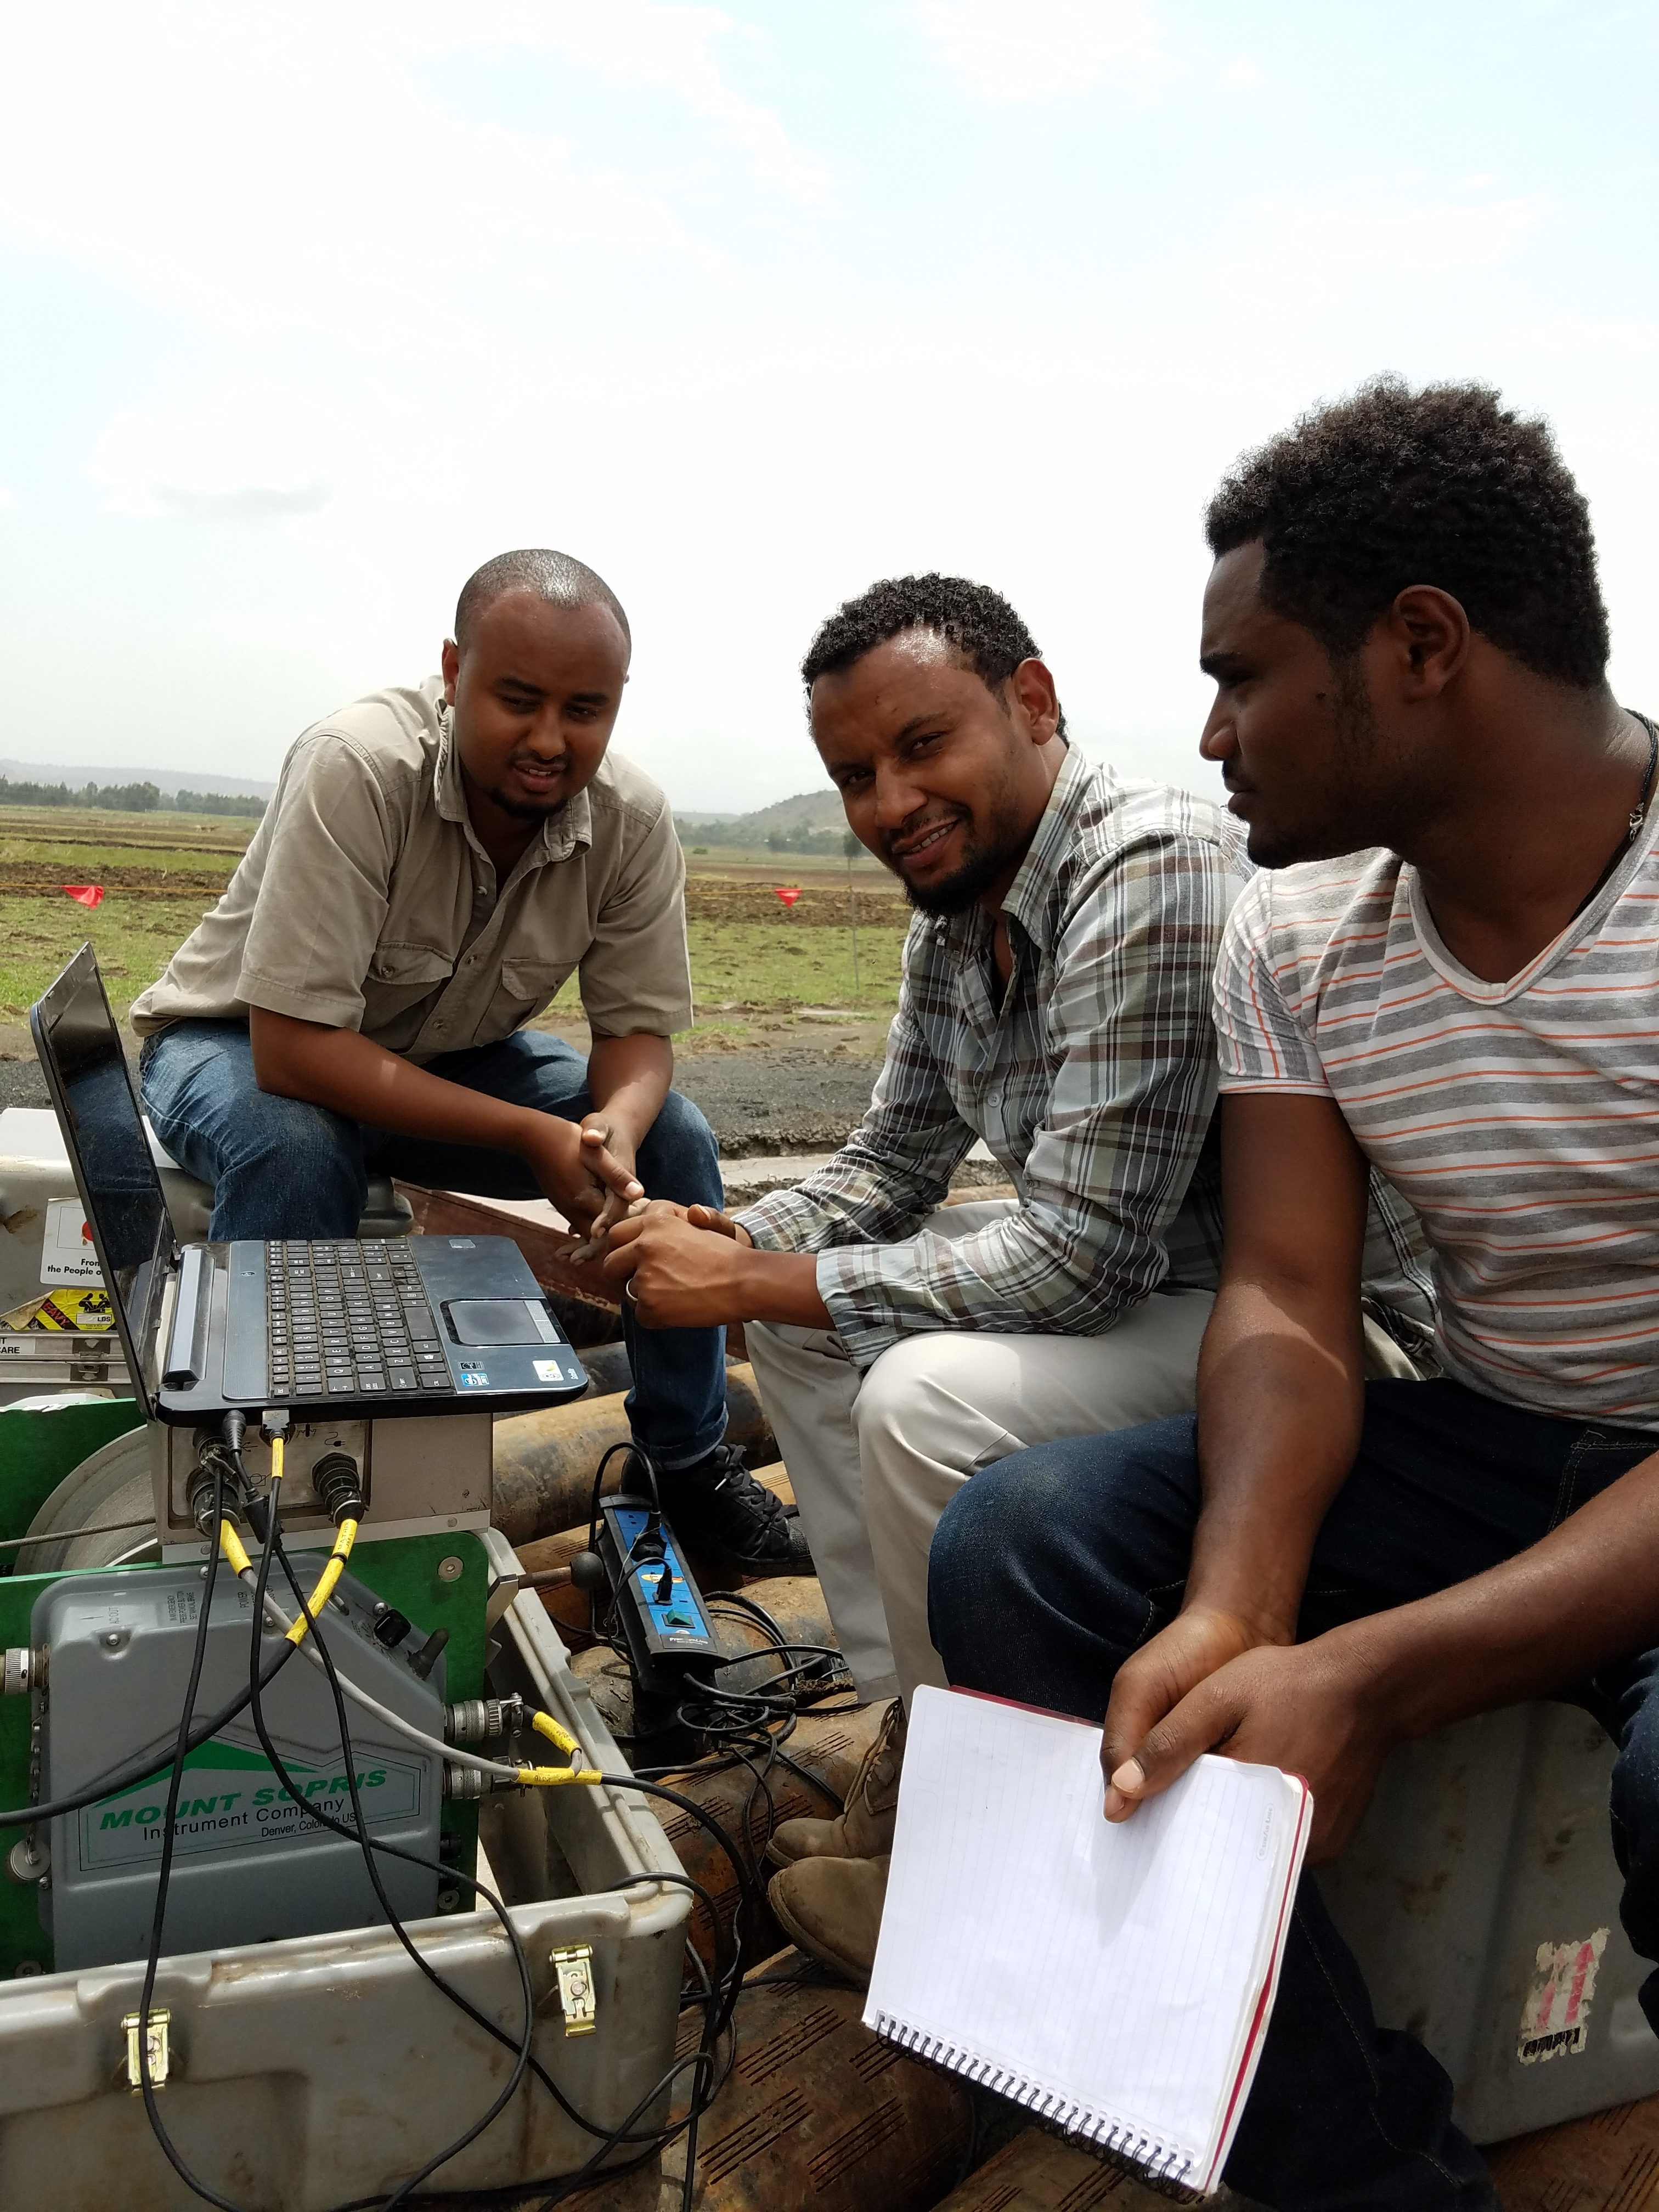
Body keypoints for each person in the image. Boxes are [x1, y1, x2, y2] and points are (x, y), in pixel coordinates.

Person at [929, 379, 1659, 2210]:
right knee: (1019, 1548)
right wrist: (1242, 1606)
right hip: (1502, 1434)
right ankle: (1366, 2181)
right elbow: (1281, 1287)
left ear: (1422, 647)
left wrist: (1367, 1672)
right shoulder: (1302, 930)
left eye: (1243, 674)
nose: (1209, 729)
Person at [601, 572, 1432, 1982]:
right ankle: (920, 1749)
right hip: (1162, 1308)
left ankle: (990, 1852)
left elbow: (1079, 1257)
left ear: (1033, 703)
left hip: (1313, 1334)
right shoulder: (958, 914)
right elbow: (886, 1166)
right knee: (811, 1322)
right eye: (855, 775)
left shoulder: (1149, 869)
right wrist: (720, 1242)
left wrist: (742, 1289)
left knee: (921, 1398)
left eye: (922, 747)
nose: (887, 803)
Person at [132, 547, 807, 1576]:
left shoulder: (630, 821)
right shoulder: (359, 767)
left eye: (585, 710)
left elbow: (637, 1038)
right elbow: (296, 1048)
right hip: (241, 1050)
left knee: (674, 1136)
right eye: (518, 699)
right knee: (297, 1148)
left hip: (442, 1065)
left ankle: (683, 1465)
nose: (550, 739)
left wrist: (609, 1132)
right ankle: (262, 1490)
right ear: (453, 673)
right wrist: (531, 1135)